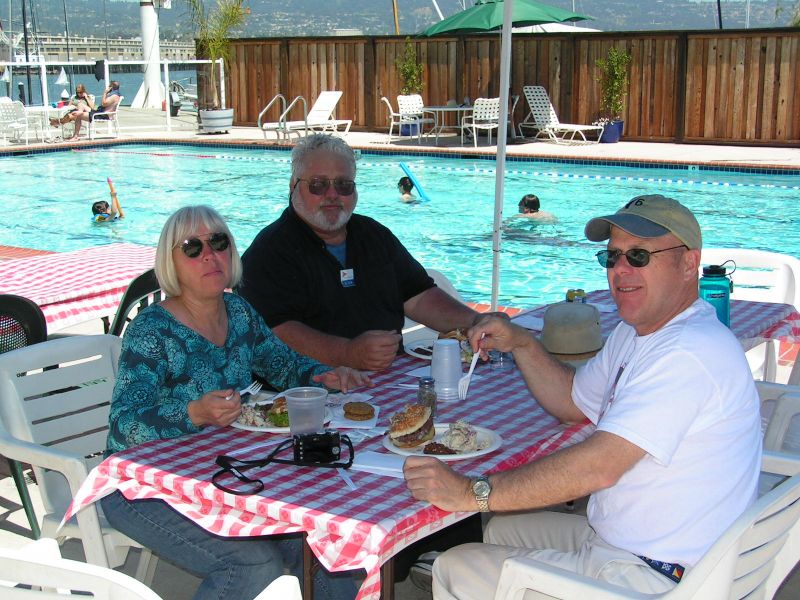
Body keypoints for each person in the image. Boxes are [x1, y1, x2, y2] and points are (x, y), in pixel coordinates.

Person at [403, 195, 762, 599]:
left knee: (457, 566)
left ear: (689, 262)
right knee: (499, 526)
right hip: (628, 543)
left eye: (640, 256)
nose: (621, 271)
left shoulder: (687, 352)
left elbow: (599, 468)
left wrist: (472, 491)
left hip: (658, 578)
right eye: (613, 257)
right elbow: (574, 402)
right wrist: (523, 343)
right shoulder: (639, 331)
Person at [100, 205, 369, 600]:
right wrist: (194, 412)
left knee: (320, 542)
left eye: (219, 242)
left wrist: (322, 375)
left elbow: (283, 364)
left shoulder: (239, 313)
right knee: (252, 562)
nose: (210, 255)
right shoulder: (151, 331)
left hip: (220, 474)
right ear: (170, 262)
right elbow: (124, 423)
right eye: (192, 247)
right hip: (141, 486)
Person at [239, 133, 481, 372]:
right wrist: (347, 353)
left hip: (389, 380)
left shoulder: (373, 235)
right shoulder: (267, 254)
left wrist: (477, 323)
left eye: (343, 185)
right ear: (294, 186)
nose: (332, 194)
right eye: (318, 184)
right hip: (310, 396)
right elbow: (274, 333)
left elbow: (419, 296)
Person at [51, 81, 121, 140]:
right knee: (80, 106)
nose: (79, 94)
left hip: (102, 115)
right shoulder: (113, 95)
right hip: (98, 112)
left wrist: (105, 93)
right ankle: (77, 114)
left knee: (78, 114)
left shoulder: (114, 96)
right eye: (78, 92)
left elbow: (103, 103)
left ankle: (75, 136)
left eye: (109, 87)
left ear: (111, 88)